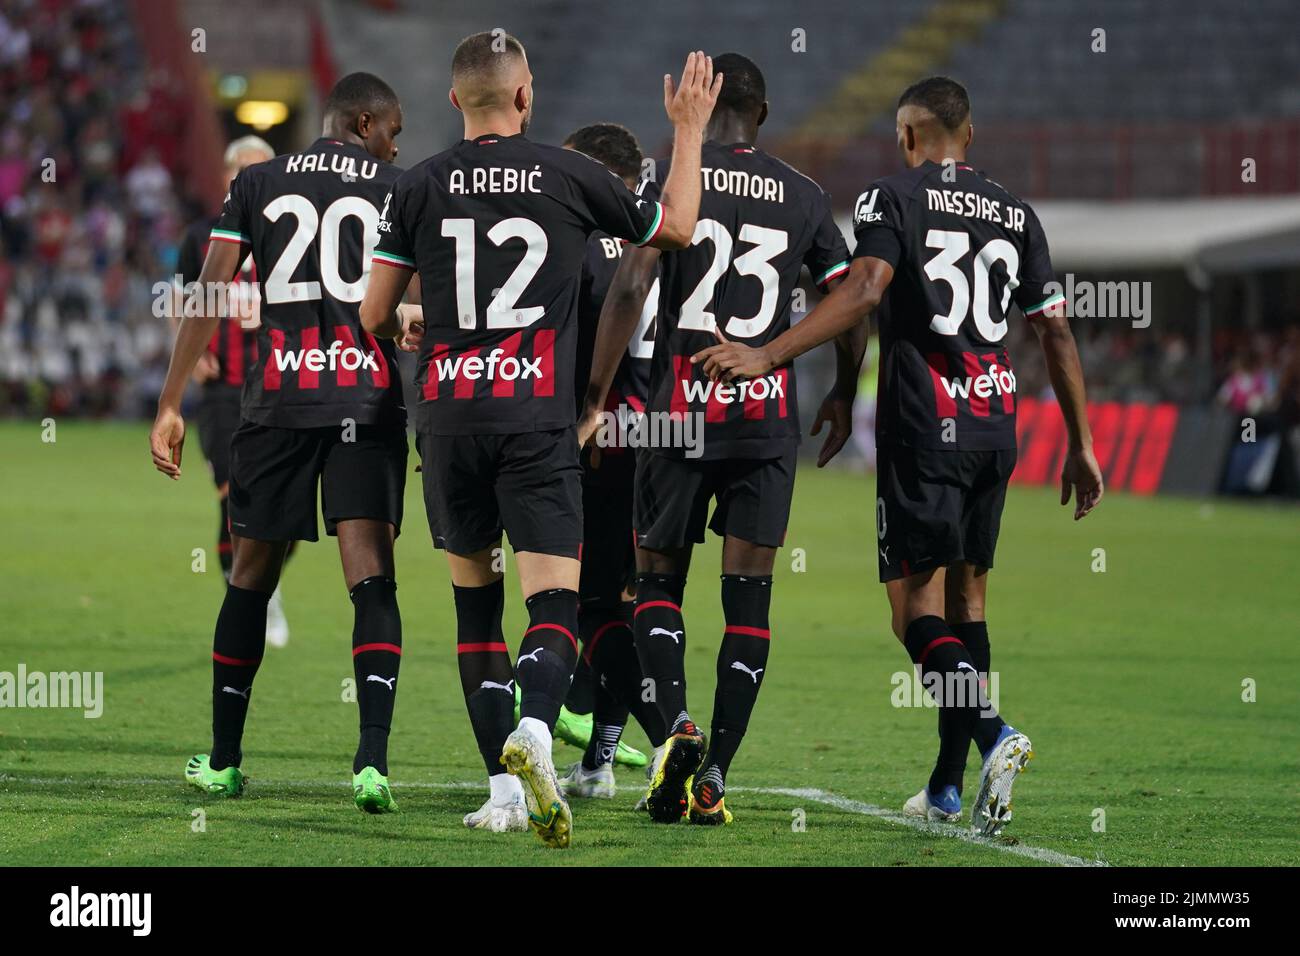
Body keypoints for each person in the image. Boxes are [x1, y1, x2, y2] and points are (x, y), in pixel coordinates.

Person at [692, 76, 1104, 835]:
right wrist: (1080, 443)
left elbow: (865, 288)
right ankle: (947, 789)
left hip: (925, 427)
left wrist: (769, 352)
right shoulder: (1016, 212)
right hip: (995, 428)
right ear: (969, 136)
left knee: (912, 613)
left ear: (909, 137)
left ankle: (992, 732)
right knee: (969, 605)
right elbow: (1056, 331)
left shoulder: (891, 198)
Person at [360, 33, 719, 848]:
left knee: (474, 607)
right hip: (535, 420)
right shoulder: (570, 175)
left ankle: (503, 791)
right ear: (527, 97)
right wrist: (689, 127)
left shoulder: (414, 186)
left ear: (455, 102)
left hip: (449, 420)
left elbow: (375, 316)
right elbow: (680, 227)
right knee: (554, 602)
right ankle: (539, 729)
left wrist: (419, 322)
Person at [580, 53, 860, 825]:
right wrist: (840, 386)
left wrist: (596, 398)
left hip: (677, 414)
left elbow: (632, 285)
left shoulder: (672, 181)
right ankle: (717, 776)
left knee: (656, 583)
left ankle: (676, 729)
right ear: (764, 114)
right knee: (749, 602)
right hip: (764, 418)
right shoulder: (804, 196)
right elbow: (852, 302)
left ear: (702, 106)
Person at [151, 73, 419, 814]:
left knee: (251, 575)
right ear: (363, 122)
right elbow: (412, 308)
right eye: (394, 127)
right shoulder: (401, 186)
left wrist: (170, 401)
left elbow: (208, 292)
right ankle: (371, 763)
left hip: (277, 401)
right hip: (365, 402)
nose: (399, 142)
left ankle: (227, 761)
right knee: (371, 577)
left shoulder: (258, 182)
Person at [173, 135, 292, 647]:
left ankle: (264, 587)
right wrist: (193, 355)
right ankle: (245, 597)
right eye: (241, 169)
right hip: (223, 391)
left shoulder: (291, 234)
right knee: (233, 496)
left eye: (259, 169)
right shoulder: (201, 236)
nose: (249, 178)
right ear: (227, 177)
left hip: (279, 382)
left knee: (282, 509)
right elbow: (181, 301)